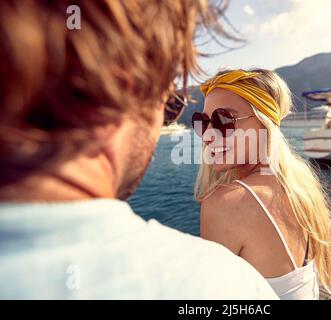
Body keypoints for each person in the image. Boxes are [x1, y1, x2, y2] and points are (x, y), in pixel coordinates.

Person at [0, 0, 278, 299]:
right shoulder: (226, 285)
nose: (207, 135)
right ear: (124, 92)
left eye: (223, 121)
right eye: (170, 105)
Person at [192, 69, 331, 299]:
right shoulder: (301, 183)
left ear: (264, 123)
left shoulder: (225, 203)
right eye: (203, 123)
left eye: (223, 120)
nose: (208, 135)